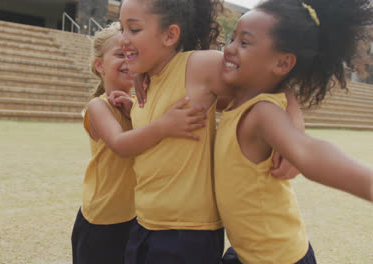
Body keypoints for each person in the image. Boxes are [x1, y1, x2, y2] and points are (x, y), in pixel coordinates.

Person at [118, 0, 304, 263]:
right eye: (120, 29)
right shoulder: (143, 83)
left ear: (170, 35)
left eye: (133, 30)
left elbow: (271, 84)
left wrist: (295, 135)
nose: (123, 40)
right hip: (144, 224)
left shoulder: (198, 67)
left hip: (186, 234)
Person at [214, 1, 373, 263]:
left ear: (282, 63)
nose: (229, 49)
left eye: (244, 43)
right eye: (232, 39)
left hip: (280, 258)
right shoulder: (238, 100)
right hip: (248, 253)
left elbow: (308, 151)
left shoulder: (263, 113)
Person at [71, 22, 209, 264]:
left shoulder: (137, 104)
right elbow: (121, 145)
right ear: (100, 65)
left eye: (131, 54)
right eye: (119, 55)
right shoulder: (98, 106)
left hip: (136, 219)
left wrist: (134, 109)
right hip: (101, 221)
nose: (127, 60)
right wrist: (165, 124)